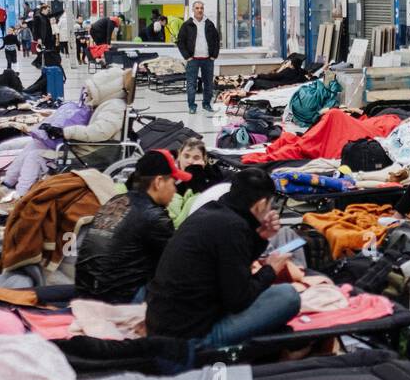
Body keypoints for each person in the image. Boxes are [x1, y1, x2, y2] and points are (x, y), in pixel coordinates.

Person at [145, 167, 301, 352]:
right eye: (269, 205)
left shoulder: (211, 212)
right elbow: (238, 300)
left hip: (160, 323)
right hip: (191, 338)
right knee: (288, 296)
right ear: (260, 204)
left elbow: (232, 265)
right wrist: (270, 270)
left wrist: (260, 237)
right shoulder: (233, 228)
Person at [75, 150, 187, 304]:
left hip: (85, 291)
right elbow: (176, 266)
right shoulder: (155, 217)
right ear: (159, 182)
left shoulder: (116, 200)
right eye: (173, 183)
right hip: (119, 299)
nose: (175, 191)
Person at [176, 0, 220, 114]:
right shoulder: (187, 25)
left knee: (208, 84)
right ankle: (192, 105)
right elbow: (180, 42)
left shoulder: (210, 24)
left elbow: (216, 40)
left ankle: (206, 104)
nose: (199, 10)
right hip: (193, 60)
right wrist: (187, 57)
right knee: (191, 84)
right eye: (197, 8)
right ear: (193, 10)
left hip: (208, 59)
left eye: (201, 8)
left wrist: (214, 55)